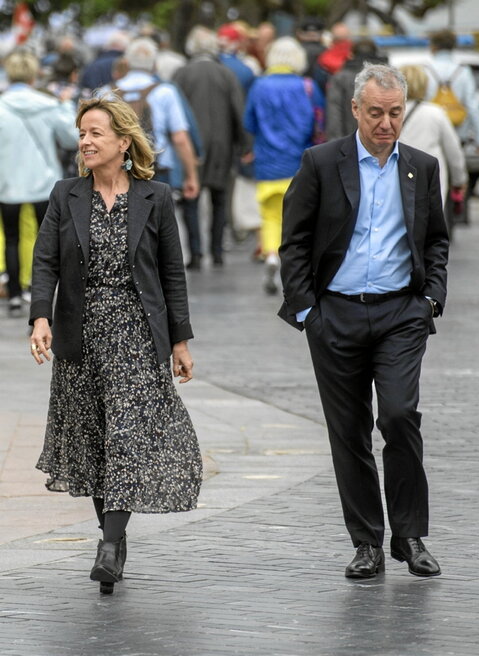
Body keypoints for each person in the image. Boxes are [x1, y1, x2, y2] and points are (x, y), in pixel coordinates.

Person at [279, 63, 448, 579]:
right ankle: (367, 543)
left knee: (398, 416)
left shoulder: (421, 165)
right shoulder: (321, 162)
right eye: (376, 112)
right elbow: (294, 242)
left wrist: (431, 300)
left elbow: (436, 238)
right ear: (356, 109)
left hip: (401, 313)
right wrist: (310, 312)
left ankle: (410, 536)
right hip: (336, 314)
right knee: (348, 431)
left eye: (395, 113)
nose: (386, 123)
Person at [29, 95, 203, 594]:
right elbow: (44, 263)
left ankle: (108, 545)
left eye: (95, 133)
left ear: (122, 142)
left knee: (127, 435)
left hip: (135, 333)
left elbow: (172, 273)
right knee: (94, 439)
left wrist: (180, 342)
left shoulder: (156, 197)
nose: (85, 141)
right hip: (80, 336)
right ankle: (114, 535)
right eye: (81, 133)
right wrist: (40, 317)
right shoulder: (66, 195)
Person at [0, 49, 78, 316]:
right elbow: (71, 138)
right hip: (44, 182)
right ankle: (38, 291)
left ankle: (13, 294)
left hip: (7, 183)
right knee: (45, 241)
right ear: (35, 75)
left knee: (12, 238)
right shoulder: (48, 104)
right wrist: (67, 105)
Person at [244, 36, 324, 295]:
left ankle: (270, 255)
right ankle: (297, 269)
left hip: (267, 163)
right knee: (301, 220)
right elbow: (319, 125)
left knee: (270, 216)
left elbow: (250, 123)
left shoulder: (259, 86)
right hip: (300, 163)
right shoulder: (308, 86)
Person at [173, 26, 250, 267]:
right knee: (219, 198)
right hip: (222, 144)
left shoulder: (181, 74)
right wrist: (245, 144)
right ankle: (217, 251)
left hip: (191, 146)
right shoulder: (226, 74)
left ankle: (196, 253)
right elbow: (239, 111)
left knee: (191, 198)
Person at [115, 37, 199, 201]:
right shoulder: (165, 91)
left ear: (127, 62)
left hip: (118, 170)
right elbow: (180, 138)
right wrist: (191, 175)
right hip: (157, 169)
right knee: (158, 223)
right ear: (155, 64)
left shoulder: (107, 92)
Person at [400, 64, 468, 204]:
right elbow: (453, 150)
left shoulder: (391, 113)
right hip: (430, 177)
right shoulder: (435, 113)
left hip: (400, 174)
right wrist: (459, 179)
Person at [424, 29, 479, 156]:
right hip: (458, 132)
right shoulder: (463, 71)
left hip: (431, 133)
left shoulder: (426, 71)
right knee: (456, 169)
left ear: (433, 47)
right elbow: (473, 106)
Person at [326, 38, 388, 141]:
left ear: (351, 55)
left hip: (350, 142)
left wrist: (335, 145)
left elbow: (334, 113)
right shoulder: (388, 76)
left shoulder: (340, 78)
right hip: (382, 140)